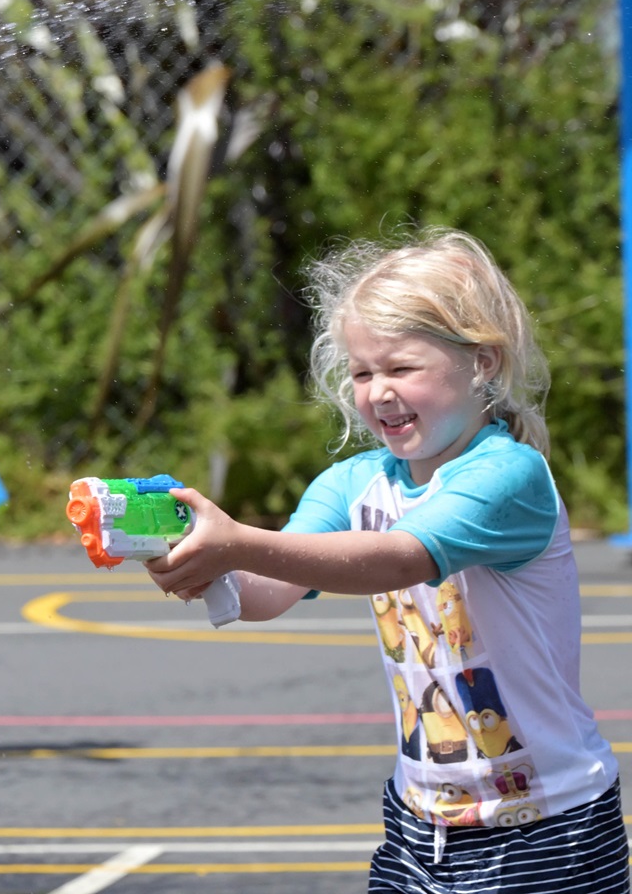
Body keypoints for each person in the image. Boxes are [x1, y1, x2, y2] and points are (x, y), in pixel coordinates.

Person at [144, 230, 628, 893]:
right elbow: (267, 591)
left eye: (402, 369)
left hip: (545, 828)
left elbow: (400, 558)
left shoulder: (508, 476)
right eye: (363, 372)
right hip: (418, 824)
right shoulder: (352, 483)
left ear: (480, 362)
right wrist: (199, 562)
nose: (378, 392)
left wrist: (237, 540)